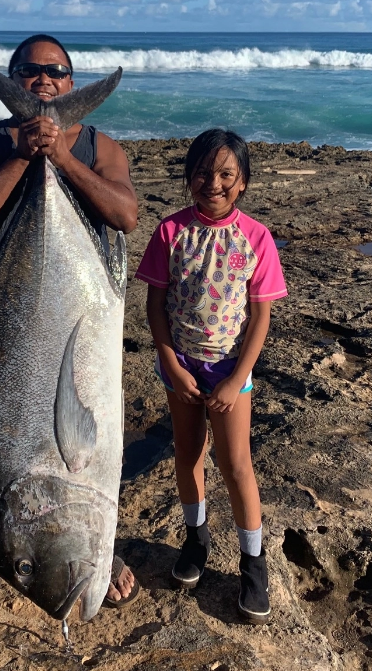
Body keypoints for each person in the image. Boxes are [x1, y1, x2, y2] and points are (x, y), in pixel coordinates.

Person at [0, 34, 139, 625]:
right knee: (4, 434)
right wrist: (23, 155)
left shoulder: (100, 146)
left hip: (82, 297)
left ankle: (101, 541)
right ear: (13, 78)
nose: (42, 80)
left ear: (71, 79)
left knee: (93, 429)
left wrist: (60, 156)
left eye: (55, 71)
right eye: (28, 71)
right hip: (7, 315)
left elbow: (125, 216)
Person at [136, 129, 287, 624]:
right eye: (203, 172)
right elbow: (155, 306)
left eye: (226, 174)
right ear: (189, 177)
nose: (213, 182)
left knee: (236, 464)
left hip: (229, 369)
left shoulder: (256, 237)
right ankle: (195, 539)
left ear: (242, 182)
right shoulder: (170, 232)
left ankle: (253, 562)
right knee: (187, 455)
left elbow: (260, 316)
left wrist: (236, 376)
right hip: (181, 367)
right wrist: (172, 364)